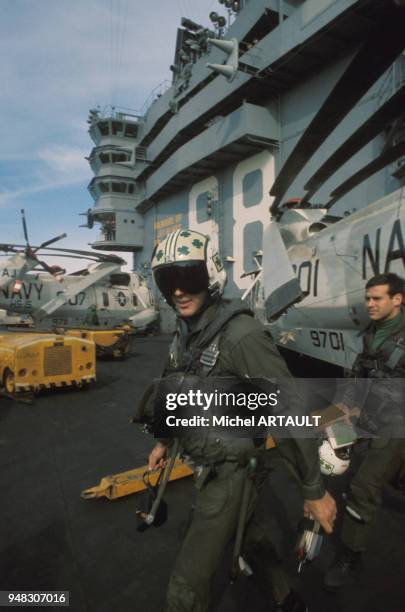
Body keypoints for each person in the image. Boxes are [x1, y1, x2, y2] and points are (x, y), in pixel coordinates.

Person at [147, 229, 336, 612]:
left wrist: (314, 490)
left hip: (229, 473)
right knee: (252, 536)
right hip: (207, 464)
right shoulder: (184, 336)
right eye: (169, 281)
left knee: (185, 587)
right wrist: (164, 441)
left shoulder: (240, 335)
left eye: (189, 278)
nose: (179, 291)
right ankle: (285, 597)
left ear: (213, 275)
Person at [324, 273, 405, 589]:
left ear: (397, 299)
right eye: (368, 298)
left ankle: (350, 557)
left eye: (377, 298)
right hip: (370, 419)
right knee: (334, 459)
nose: (369, 304)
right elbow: (354, 379)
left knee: (363, 489)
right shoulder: (370, 335)